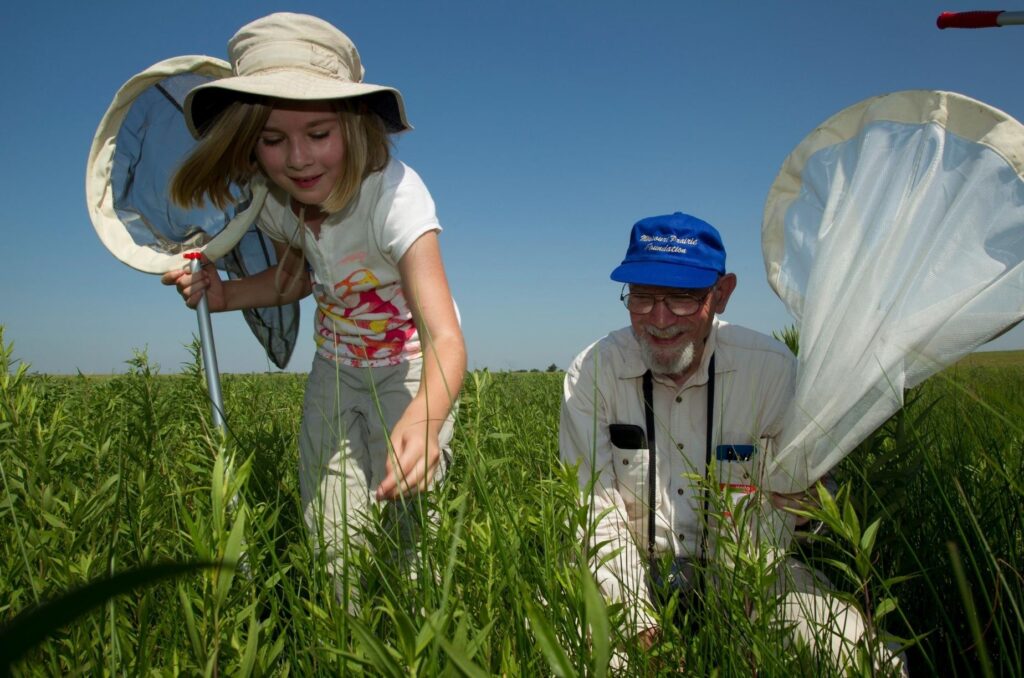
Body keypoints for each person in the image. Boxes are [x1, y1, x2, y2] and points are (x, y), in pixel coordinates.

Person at [162, 13, 465, 597]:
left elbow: (445, 339)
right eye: (272, 141)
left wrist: (426, 420)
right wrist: (221, 295)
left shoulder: (396, 197)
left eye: (318, 133)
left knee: (411, 530)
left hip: (408, 372)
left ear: (355, 127)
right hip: (333, 369)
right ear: (250, 144)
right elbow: (294, 279)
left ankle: (416, 630)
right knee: (330, 531)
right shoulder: (276, 202)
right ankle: (345, 634)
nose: (297, 159)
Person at [559, 212, 901, 671]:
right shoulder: (591, 373)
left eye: (681, 298)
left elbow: (818, 502)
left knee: (860, 658)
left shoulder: (773, 371)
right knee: (580, 654)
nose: (659, 320)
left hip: (755, 578)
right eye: (641, 298)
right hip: (627, 573)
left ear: (720, 295)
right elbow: (594, 515)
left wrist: (809, 510)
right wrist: (637, 622)